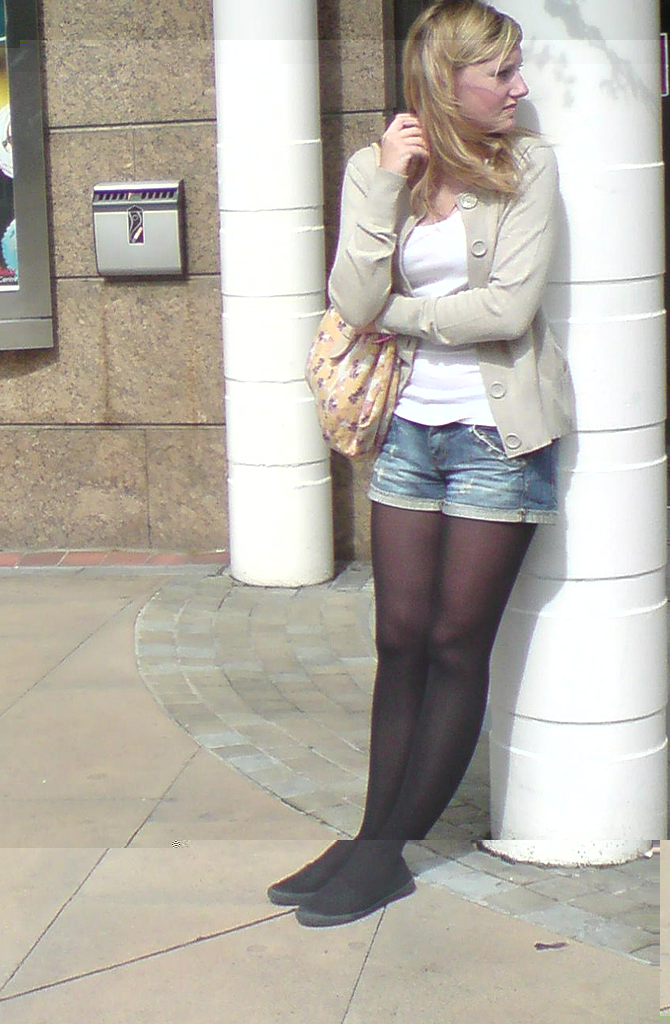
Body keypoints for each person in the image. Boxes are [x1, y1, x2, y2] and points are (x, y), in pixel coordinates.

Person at [268, 0, 573, 928]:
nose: (519, 87)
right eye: (501, 72)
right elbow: (348, 291)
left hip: (494, 436)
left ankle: (384, 854)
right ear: (447, 79)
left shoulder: (527, 167)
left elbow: (506, 311)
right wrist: (380, 187)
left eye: (517, 69)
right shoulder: (381, 168)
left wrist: (395, 316)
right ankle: (372, 835)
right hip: (408, 431)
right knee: (397, 639)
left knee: (452, 645)